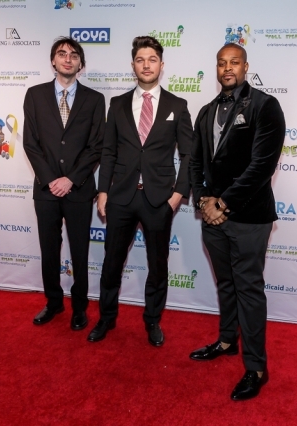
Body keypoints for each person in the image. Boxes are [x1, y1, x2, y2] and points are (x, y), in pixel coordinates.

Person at [188, 43, 285, 401]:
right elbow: (195, 161)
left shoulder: (265, 105)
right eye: (221, 63)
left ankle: (256, 368)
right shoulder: (206, 111)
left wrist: (223, 204)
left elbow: (262, 166)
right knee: (226, 284)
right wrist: (203, 199)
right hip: (212, 216)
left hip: (249, 217)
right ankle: (228, 340)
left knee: (248, 289)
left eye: (234, 62)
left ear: (246, 67)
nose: (227, 68)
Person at [87, 36, 193, 346]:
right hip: (121, 197)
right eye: (140, 60)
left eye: (152, 59)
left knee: (158, 265)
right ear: (133, 65)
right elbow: (109, 152)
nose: (146, 65)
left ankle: (153, 320)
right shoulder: (117, 104)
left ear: (162, 65)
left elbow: (189, 155)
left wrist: (177, 195)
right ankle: (106, 318)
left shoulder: (177, 105)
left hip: (159, 199)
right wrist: (103, 192)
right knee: (112, 263)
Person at [23, 36, 105, 331]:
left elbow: (96, 146)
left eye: (73, 55)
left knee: (80, 251)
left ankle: (79, 307)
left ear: (81, 64)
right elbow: (30, 143)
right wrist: (51, 180)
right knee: (49, 249)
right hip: (45, 190)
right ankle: (54, 302)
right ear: (53, 61)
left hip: (79, 188)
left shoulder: (95, 99)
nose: (67, 59)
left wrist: (71, 179)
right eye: (62, 54)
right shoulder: (34, 95)